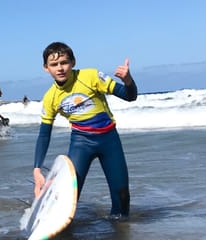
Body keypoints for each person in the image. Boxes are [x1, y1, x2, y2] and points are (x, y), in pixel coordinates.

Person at [32, 42, 137, 220]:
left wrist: (127, 80)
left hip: (109, 140)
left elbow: (129, 96)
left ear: (73, 62)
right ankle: (55, 223)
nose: (60, 68)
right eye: (54, 64)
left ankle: (120, 238)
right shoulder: (50, 97)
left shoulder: (91, 76)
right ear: (46, 68)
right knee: (70, 195)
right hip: (81, 143)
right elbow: (44, 134)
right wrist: (36, 169)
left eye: (64, 62)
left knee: (122, 196)